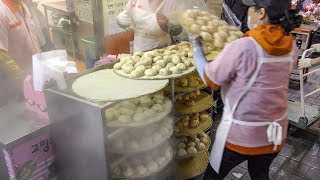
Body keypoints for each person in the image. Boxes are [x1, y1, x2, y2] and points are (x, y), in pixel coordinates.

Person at [189, 0, 302, 179]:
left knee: (213, 177)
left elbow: (210, 79)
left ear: (261, 13)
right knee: (259, 174)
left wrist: (196, 49)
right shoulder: (291, 47)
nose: (247, 11)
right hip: (274, 133)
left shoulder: (243, 47)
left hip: (242, 135)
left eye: (251, 8)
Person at [0, 0, 53, 106]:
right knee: (22, 112)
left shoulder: (22, 6)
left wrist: (42, 64)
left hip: (34, 74)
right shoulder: (2, 12)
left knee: (41, 108)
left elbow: (33, 40)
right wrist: (24, 78)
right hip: (16, 83)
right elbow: (1, 53)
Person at [117, 0, 181, 52]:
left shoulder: (171, 2)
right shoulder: (135, 1)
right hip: (141, 47)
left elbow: (177, 30)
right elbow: (124, 17)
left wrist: (172, 26)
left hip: (164, 47)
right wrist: (121, 20)